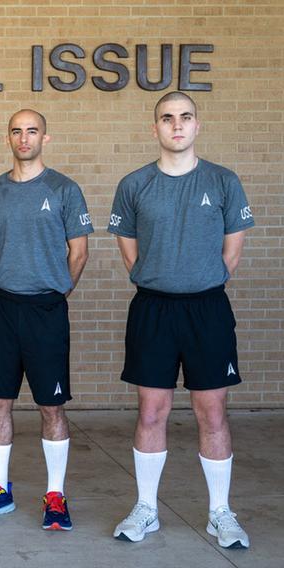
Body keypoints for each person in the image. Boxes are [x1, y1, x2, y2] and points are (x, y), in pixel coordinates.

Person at [109, 92, 253, 548]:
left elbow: (231, 254)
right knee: (152, 411)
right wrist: (159, 277)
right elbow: (129, 252)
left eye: (185, 117)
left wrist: (198, 279)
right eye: (167, 118)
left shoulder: (224, 181)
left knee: (212, 412)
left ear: (197, 125)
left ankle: (219, 513)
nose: (177, 125)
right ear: (155, 128)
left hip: (207, 310)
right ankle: (147, 509)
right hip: (153, 310)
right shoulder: (134, 185)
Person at [0, 110, 92, 531]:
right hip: (1, 308)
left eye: (31, 130)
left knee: (50, 405)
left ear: (44, 138)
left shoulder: (64, 188)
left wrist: (55, 291)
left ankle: (56, 495)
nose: (24, 138)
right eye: (16, 131)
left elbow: (79, 252)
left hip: (46, 310)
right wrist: (10, 277)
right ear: (8, 138)